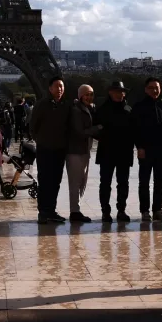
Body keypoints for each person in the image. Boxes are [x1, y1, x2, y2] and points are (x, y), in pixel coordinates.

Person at [29, 76, 70, 225]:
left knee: (56, 181)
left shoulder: (66, 105)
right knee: (45, 180)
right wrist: (42, 141)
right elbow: (33, 126)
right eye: (57, 86)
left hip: (59, 149)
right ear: (50, 88)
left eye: (62, 86)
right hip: (45, 149)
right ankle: (43, 212)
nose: (59, 89)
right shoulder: (42, 105)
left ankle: (51, 211)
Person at [93, 81, 133, 224]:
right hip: (108, 151)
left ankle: (121, 210)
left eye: (121, 91)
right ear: (110, 92)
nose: (119, 94)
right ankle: (106, 211)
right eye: (116, 91)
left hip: (123, 152)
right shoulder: (103, 109)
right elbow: (95, 130)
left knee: (123, 183)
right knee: (105, 183)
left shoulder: (128, 109)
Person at [132, 78, 162, 222]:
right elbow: (135, 129)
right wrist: (139, 147)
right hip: (146, 150)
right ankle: (144, 211)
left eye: (157, 88)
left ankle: (157, 210)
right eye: (151, 88)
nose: (154, 90)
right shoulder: (139, 107)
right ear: (145, 89)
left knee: (160, 182)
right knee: (144, 182)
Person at [66, 84, 100, 223]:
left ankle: (76, 209)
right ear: (80, 95)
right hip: (75, 151)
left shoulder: (88, 109)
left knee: (81, 182)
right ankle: (74, 211)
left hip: (83, 150)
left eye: (91, 94)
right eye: (86, 94)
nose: (89, 97)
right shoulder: (76, 110)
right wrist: (97, 128)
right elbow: (80, 132)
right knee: (76, 182)